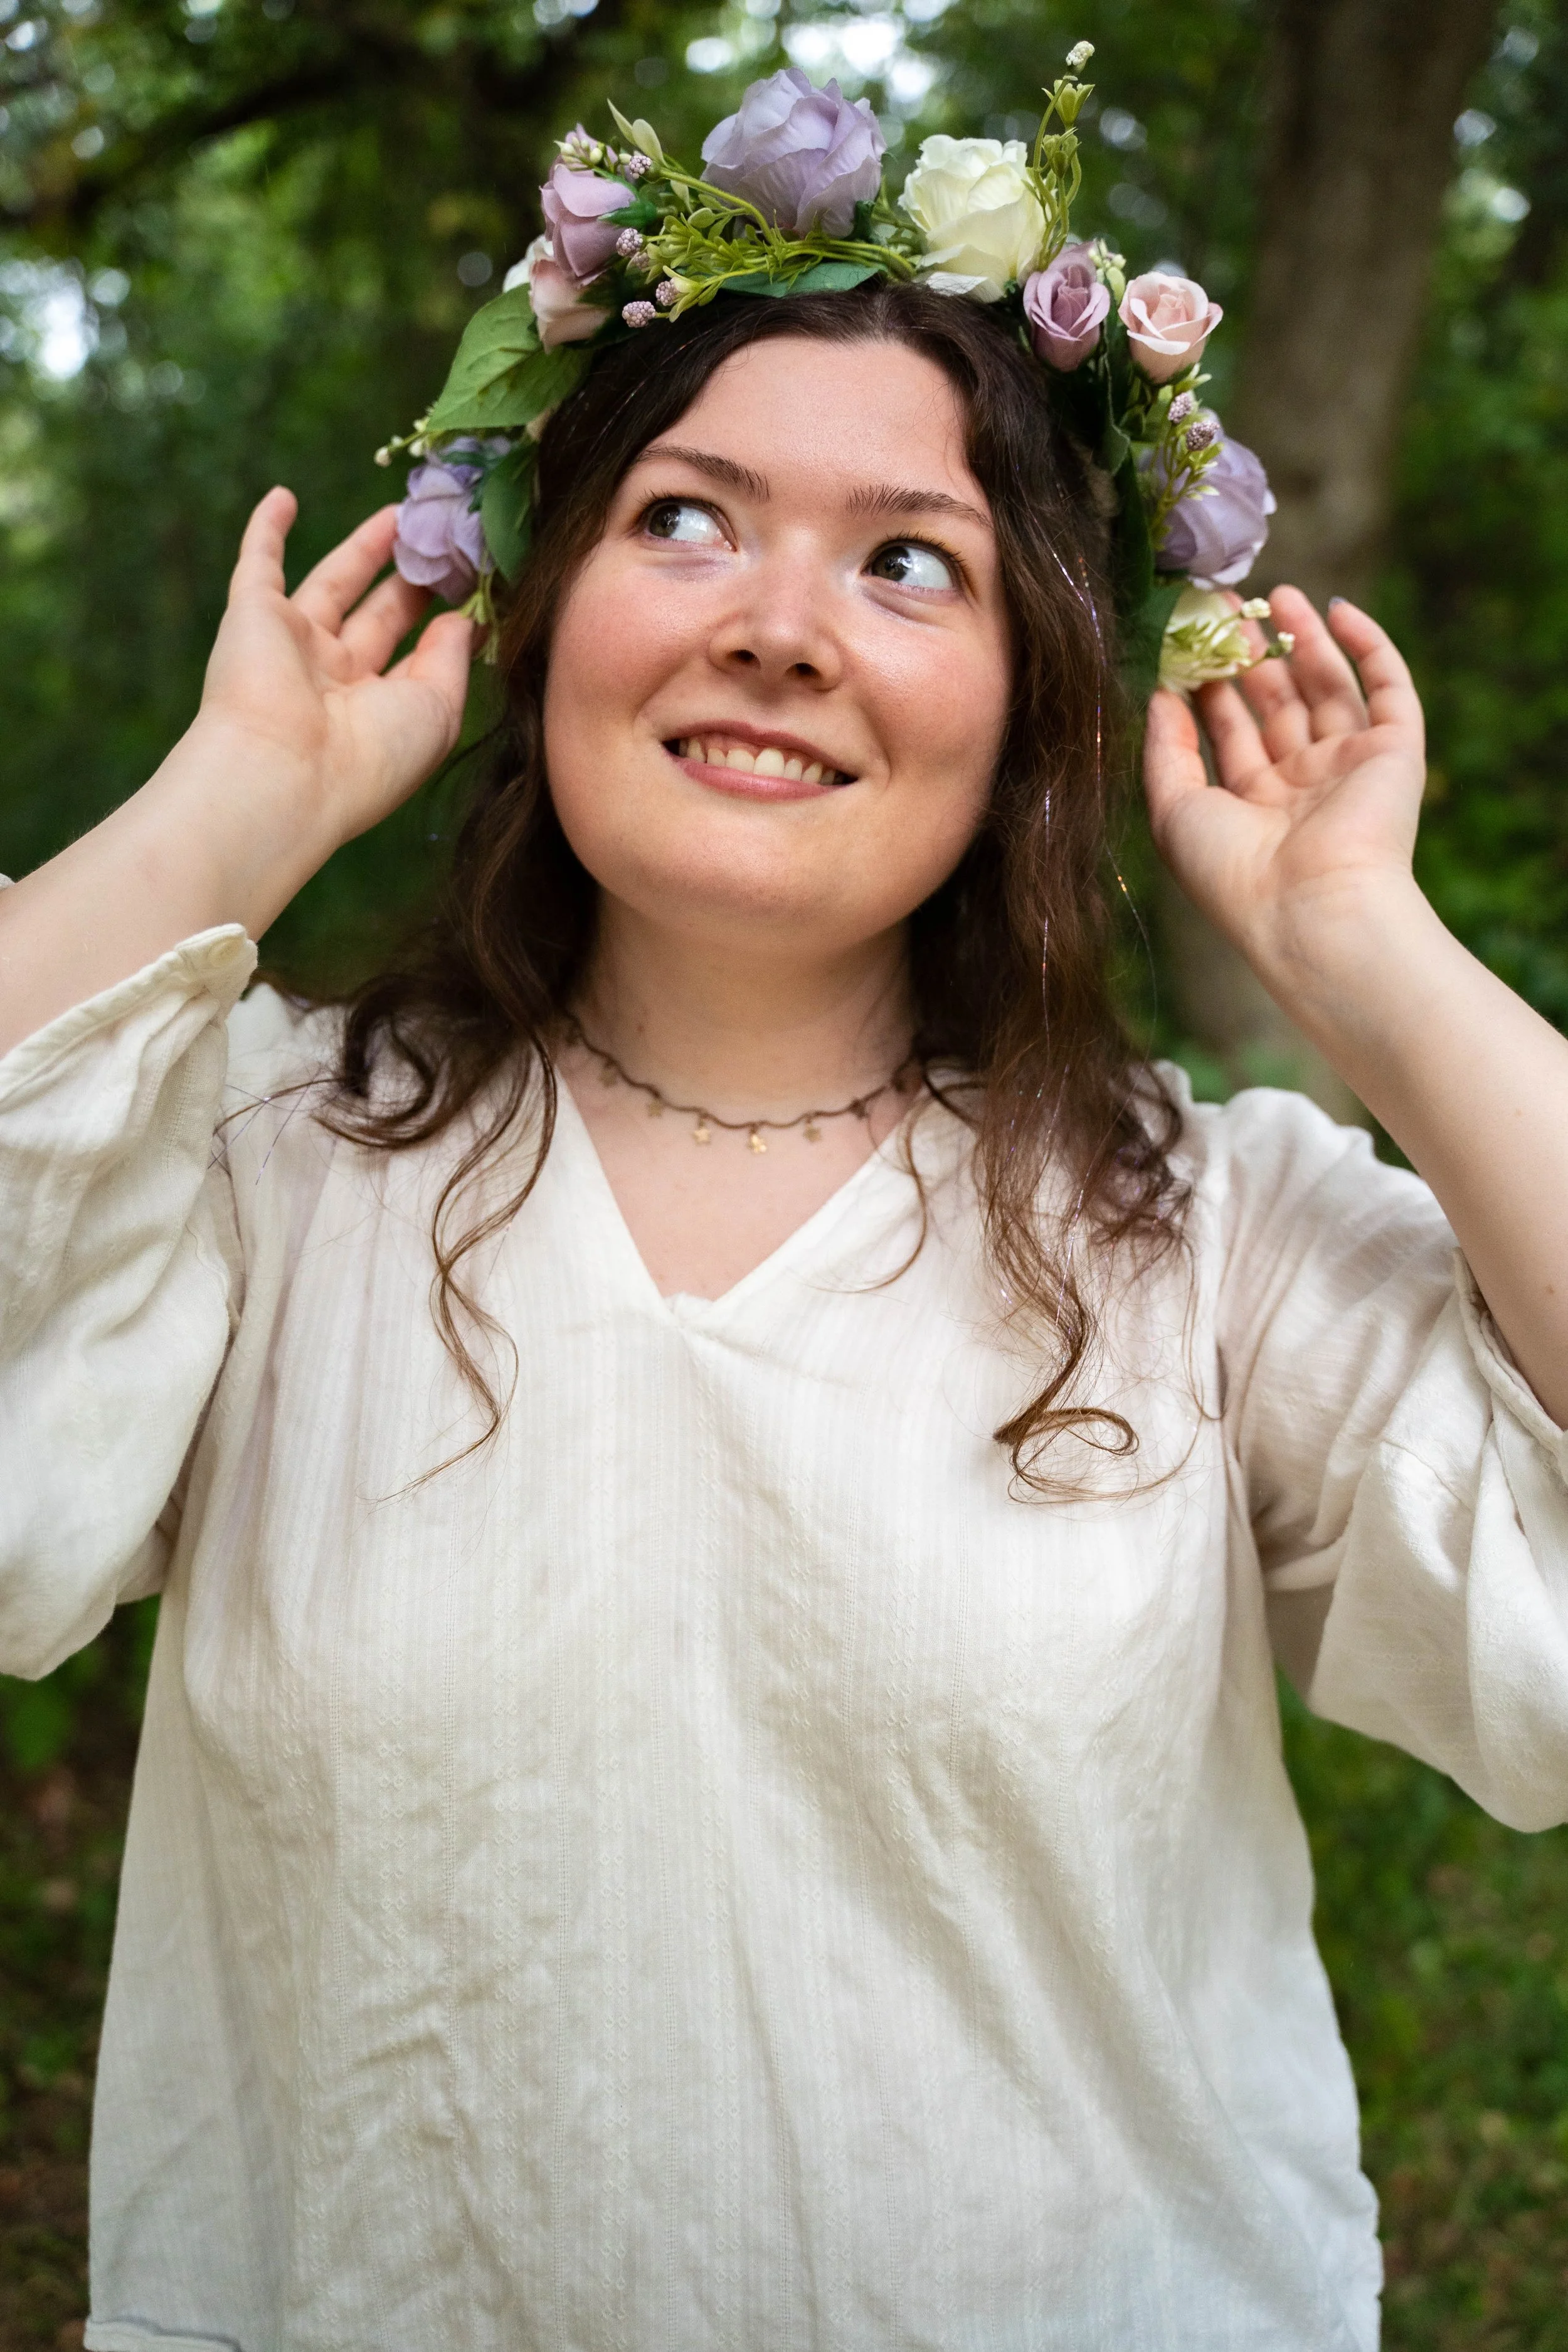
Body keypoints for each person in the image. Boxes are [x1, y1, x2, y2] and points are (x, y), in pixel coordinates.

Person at [2, 70, 1567, 2352]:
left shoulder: (1197, 1226)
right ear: (543, 618)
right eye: (684, 521)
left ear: (1031, 694)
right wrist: (241, 802)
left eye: (906, 559)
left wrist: (1359, 947)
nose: (780, 626)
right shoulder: (265, 1163)